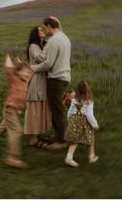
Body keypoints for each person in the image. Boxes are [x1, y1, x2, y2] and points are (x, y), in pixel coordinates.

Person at [0, 55, 34, 168]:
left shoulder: (25, 81)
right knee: (16, 130)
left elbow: (27, 71)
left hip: (15, 111)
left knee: (2, 128)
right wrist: (7, 56)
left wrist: (21, 64)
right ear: (18, 72)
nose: (28, 74)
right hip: (9, 109)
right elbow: (9, 68)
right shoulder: (13, 78)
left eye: (29, 73)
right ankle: (11, 157)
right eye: (26, 72)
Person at [31, 17, 71, 149]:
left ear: (49, 26)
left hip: (56, 79)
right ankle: (61, 136)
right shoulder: (65, 38)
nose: (44, 30)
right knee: (58, 109)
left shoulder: (54, 40)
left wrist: (31, 68)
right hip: (64, 77)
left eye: (45, 27)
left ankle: (60, 141)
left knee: (56, 110)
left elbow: (48, 64)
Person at [24, 26, 52, 147]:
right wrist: (49, 48)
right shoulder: (33, 46)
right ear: (35, 34)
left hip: (42, 79)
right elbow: (42, 58)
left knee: (40, 106)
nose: (43, 31)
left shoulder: (42, 45)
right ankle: (32, 139)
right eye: (40, 30)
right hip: (36, 80)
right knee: (34, 107)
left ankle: (37, 134)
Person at [64, 81, 99, 168]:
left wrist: (69, 121)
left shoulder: (73, 101)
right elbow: (89, 115)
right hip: (84, 125)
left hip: (74, 122)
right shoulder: (89, 102)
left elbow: (70, 112)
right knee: (90, 138)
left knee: (74, 141)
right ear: (88, 91)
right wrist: (95, 124)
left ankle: (69, 157)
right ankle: (91, 157)